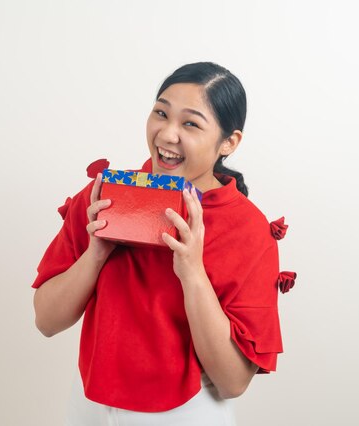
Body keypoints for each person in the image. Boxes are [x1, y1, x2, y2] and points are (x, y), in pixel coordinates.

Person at [31, 62, 294, 425]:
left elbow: (233, 382)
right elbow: (46, 320)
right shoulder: (105, 196)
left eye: (190, 123)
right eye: (161, 113)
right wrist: (95, 255)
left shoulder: (247, 230)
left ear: (228, 142)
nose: (167, 134)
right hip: (89, 406)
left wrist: (192, 272)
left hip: (186, 412)